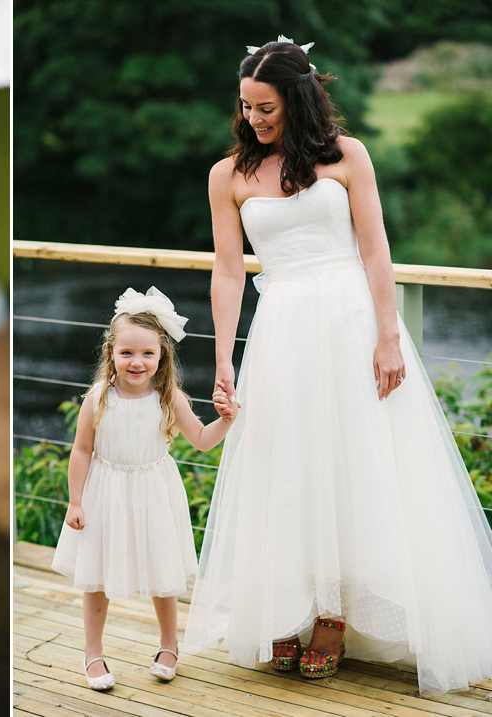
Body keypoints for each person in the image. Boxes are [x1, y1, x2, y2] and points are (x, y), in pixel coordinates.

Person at [183, 35, 492, 693]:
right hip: (283, 328)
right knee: (288, 463)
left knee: (352, 461)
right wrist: (222, 358)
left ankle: (333, 615)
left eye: (266, 108)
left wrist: (388, 335)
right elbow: (230, 270)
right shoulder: (227, 175)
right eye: (245, 107)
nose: (254, 119)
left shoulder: (348, 156)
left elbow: (377, 251)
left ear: (297, 100)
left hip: (350, 322)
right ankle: (287, 605)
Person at [50, 287, 239, 690]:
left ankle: (169, 646)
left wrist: (226, 420)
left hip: (154, 492)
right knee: (96, 577)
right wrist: (76, 501)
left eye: (147, 353)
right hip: (105, 493)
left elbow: (202, 440)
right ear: (111, 353)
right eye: (127, 353)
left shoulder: (169, 397)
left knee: (162, 572)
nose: (137, 362)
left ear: (162, 355)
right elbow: (82, 451)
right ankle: (93, 653)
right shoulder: (99, 398)